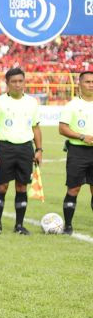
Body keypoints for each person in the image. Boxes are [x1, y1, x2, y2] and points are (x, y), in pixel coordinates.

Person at [0, 67, 41, 235]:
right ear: (7, 84)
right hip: (5, 148)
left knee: (22, 187)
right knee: (2, 186)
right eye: (14, 82)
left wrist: (39, 149)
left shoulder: (32, 102)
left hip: (26, 148)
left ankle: (19, 225)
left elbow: (36, 128)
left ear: (24, 82)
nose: (18, 85)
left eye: (20, 81)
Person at [58, 70, 93, 235]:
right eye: (87, 82)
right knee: (74, 189)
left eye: (92, 82)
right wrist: (82, 136)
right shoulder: (72, 105)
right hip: (77, 151)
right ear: (79, 84)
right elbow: (62, 128)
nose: (91, 84)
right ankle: (68, 226)